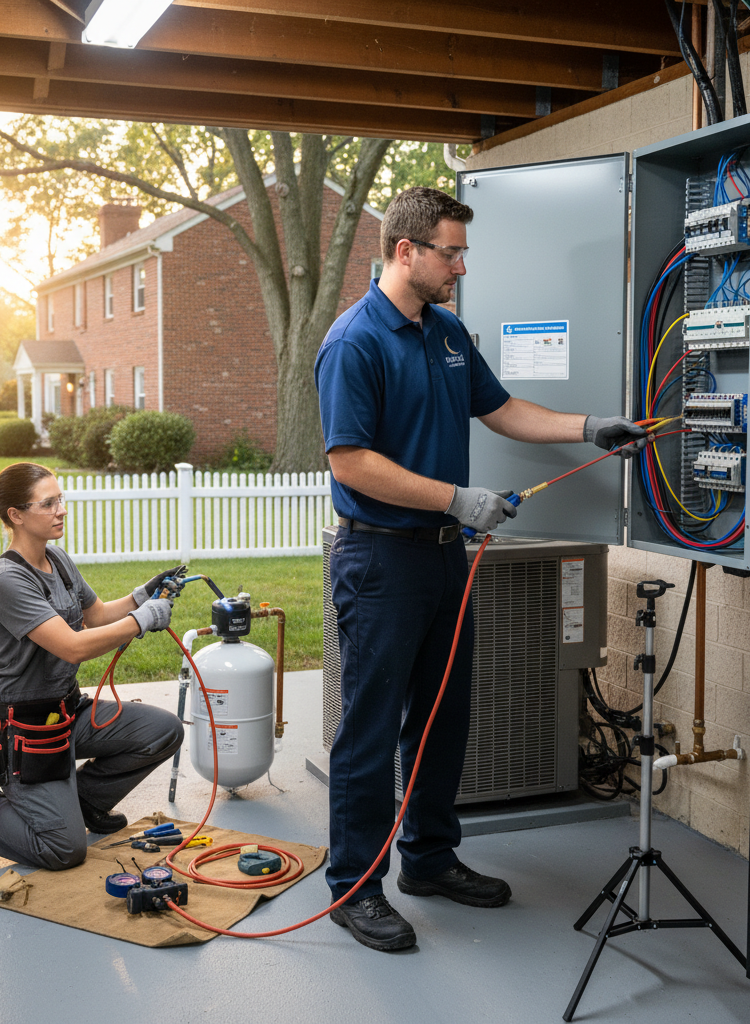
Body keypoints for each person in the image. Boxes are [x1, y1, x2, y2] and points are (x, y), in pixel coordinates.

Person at [314, 186, 646, 952]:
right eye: (450, 252)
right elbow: (353, 462)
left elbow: (500, 409)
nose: (460, 266)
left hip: (444, 560)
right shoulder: (354, 341)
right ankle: (353, 888)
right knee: (369, 728)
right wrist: (459, 498)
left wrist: (590, 427)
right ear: (407, 252)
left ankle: (428, 860)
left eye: (461, 252)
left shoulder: (448, 333)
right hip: (380, 559)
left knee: (443, 716)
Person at [0, 462, 185, 870]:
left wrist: (140, 595)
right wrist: (143, 619)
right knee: (63, 850)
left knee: (163, 731)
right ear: (16, 515)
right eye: (48, 503)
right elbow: (73, 648)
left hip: (67, 712)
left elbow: (95, 616)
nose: (61, 509)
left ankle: (84, 805)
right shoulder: (6, 579)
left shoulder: (57, 560)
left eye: (60, 499)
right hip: (24, 731)